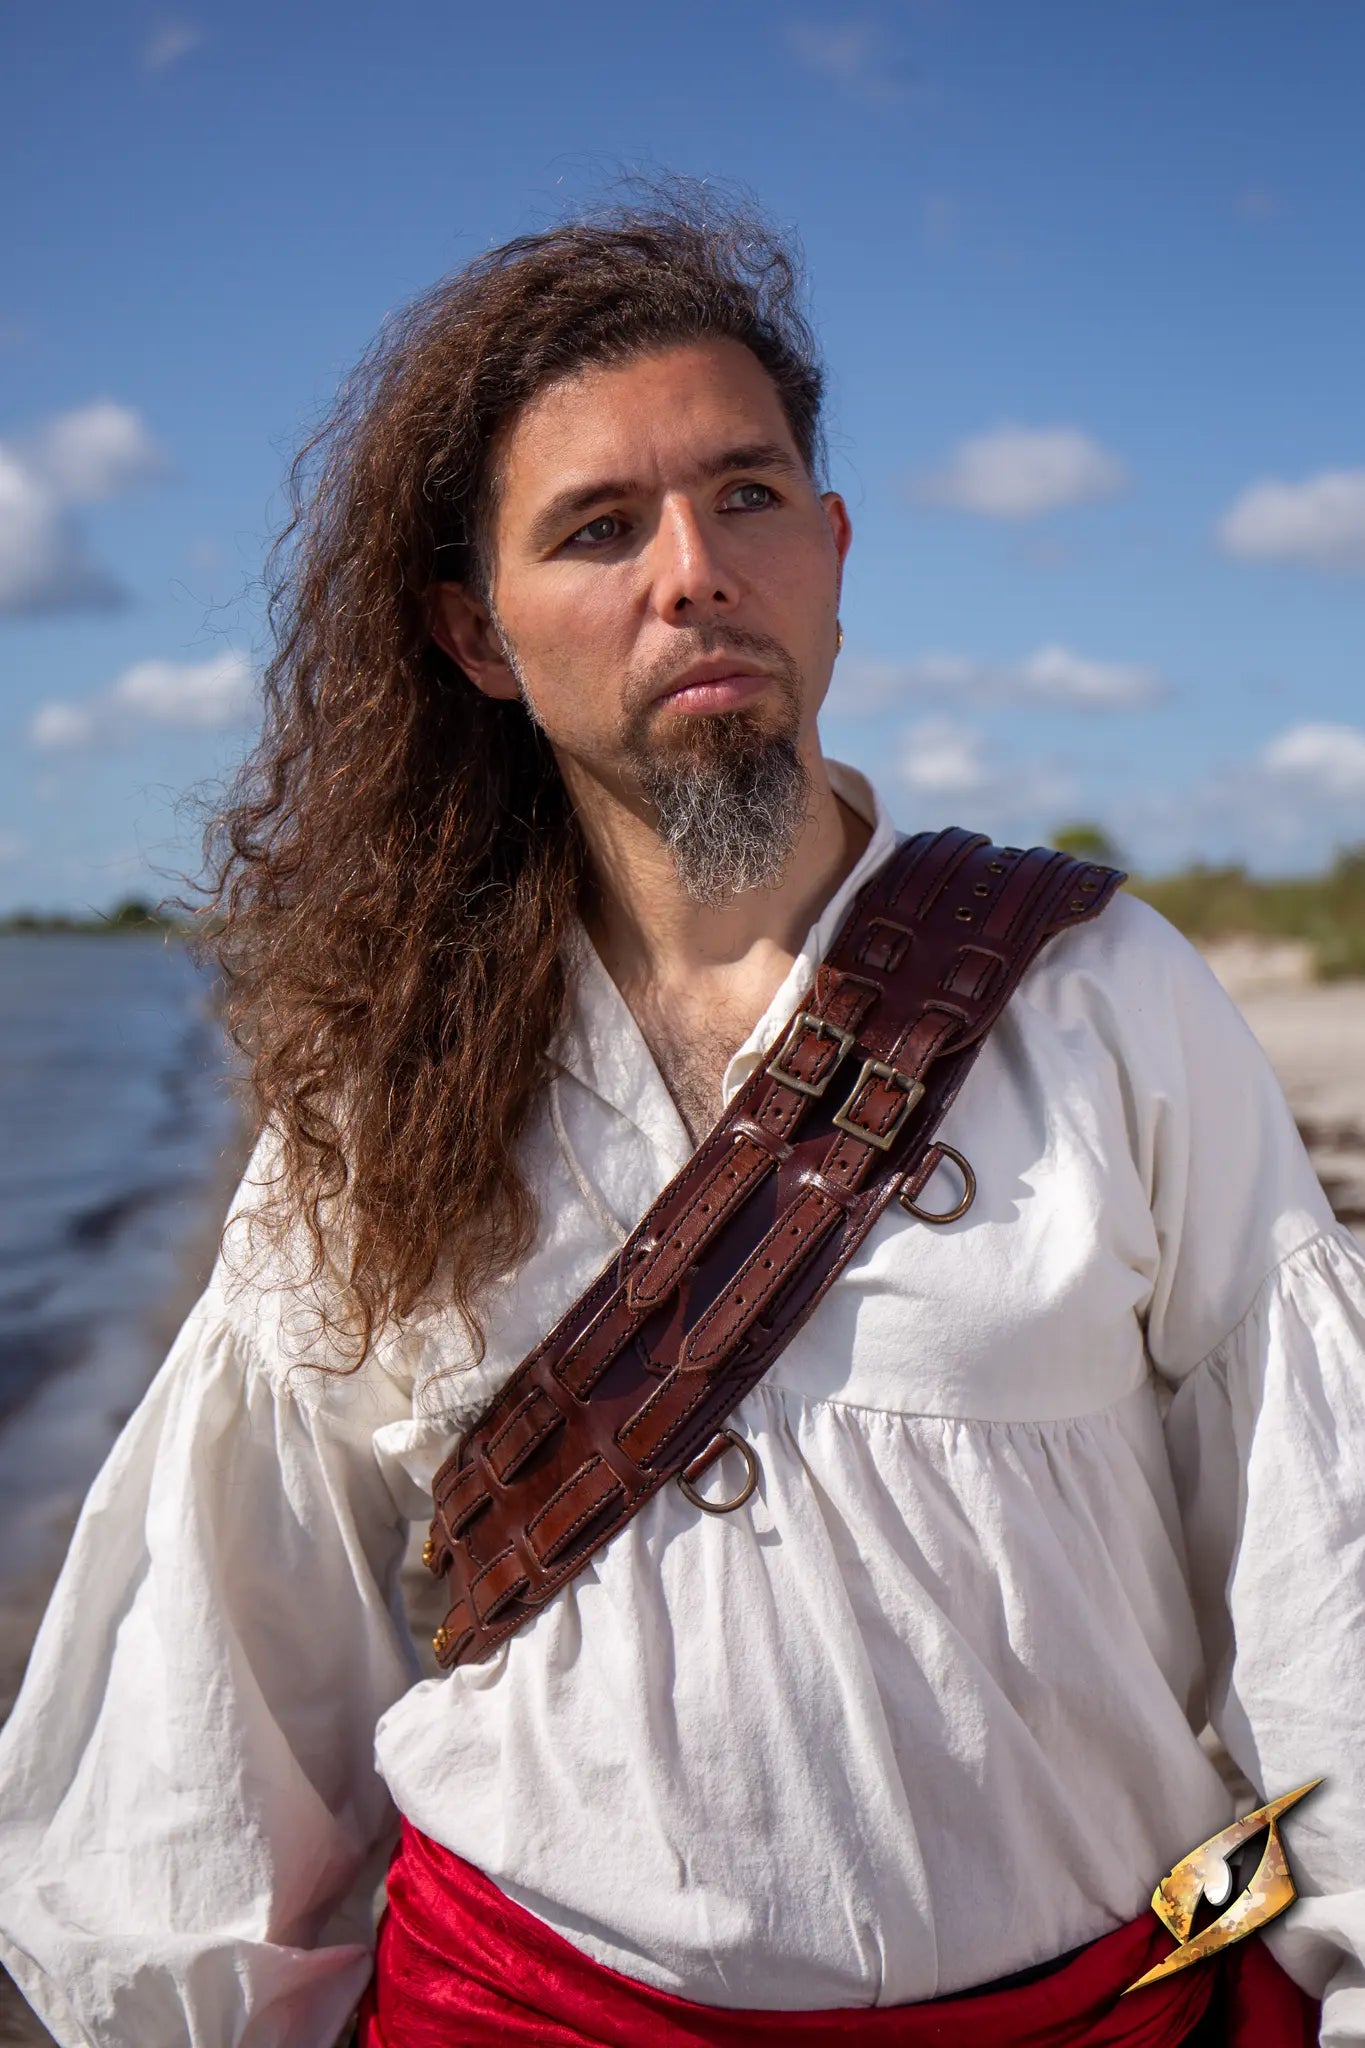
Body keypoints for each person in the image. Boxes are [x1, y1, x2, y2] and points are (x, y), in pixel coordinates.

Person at [0, 193, 1360, 2048]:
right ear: (477, 638)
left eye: (746, 497)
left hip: (1094, 2009)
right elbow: (225, 1681)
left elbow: (1323, 1556)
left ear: (830, 551)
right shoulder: (382, 1090)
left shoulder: (1095, 986)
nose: (691, 571)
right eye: (595, 528)